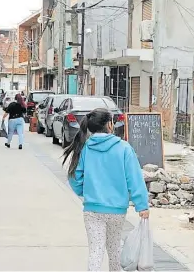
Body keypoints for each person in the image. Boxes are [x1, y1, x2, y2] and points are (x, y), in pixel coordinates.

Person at [63, 108, 149, 272]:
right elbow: (134, 178)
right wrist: (142, 205)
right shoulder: (124, 148)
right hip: (117, 211)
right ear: (110, 124)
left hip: (92, 210)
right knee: (115, 249)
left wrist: (85, 191)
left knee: (96, 252)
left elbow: (74, 176)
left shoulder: (85, 148)